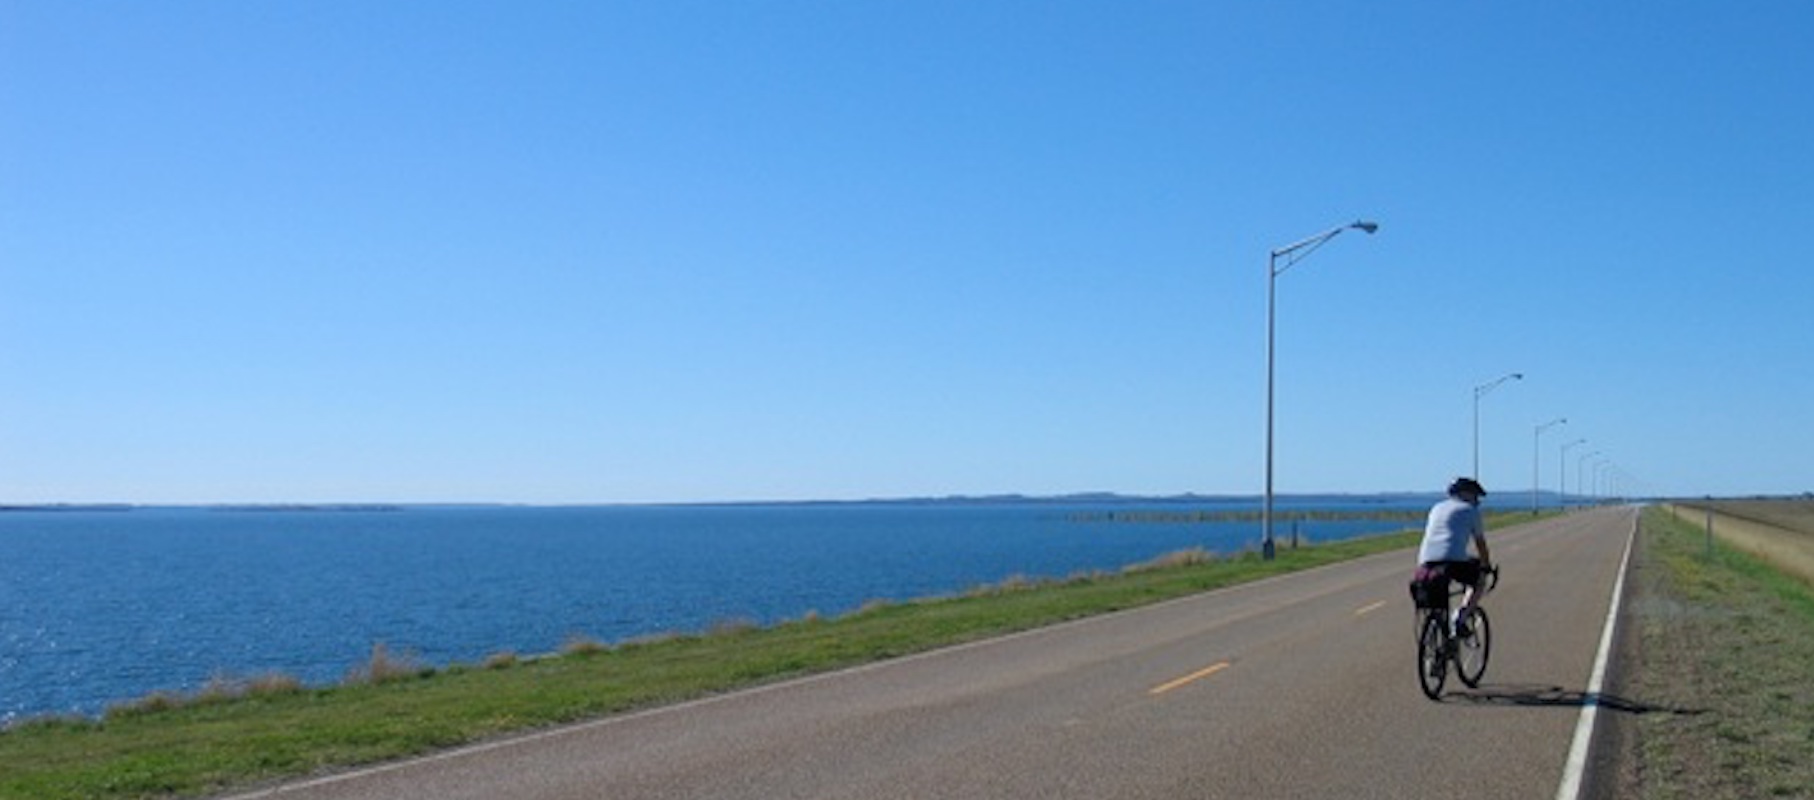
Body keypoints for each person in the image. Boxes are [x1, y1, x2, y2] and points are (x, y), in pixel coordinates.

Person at [1416, 477, 1493, 634]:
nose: (1477, 500)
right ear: (1466, 494)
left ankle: (1437, 626)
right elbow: (1481, 544)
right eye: (1475, 496)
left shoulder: (1436, 508)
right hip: (1453, 561)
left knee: (1438, 593)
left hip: (1426, 560)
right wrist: (1486, 565)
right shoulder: (1471, 511)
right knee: (1478, 580)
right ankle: (1461, 616)